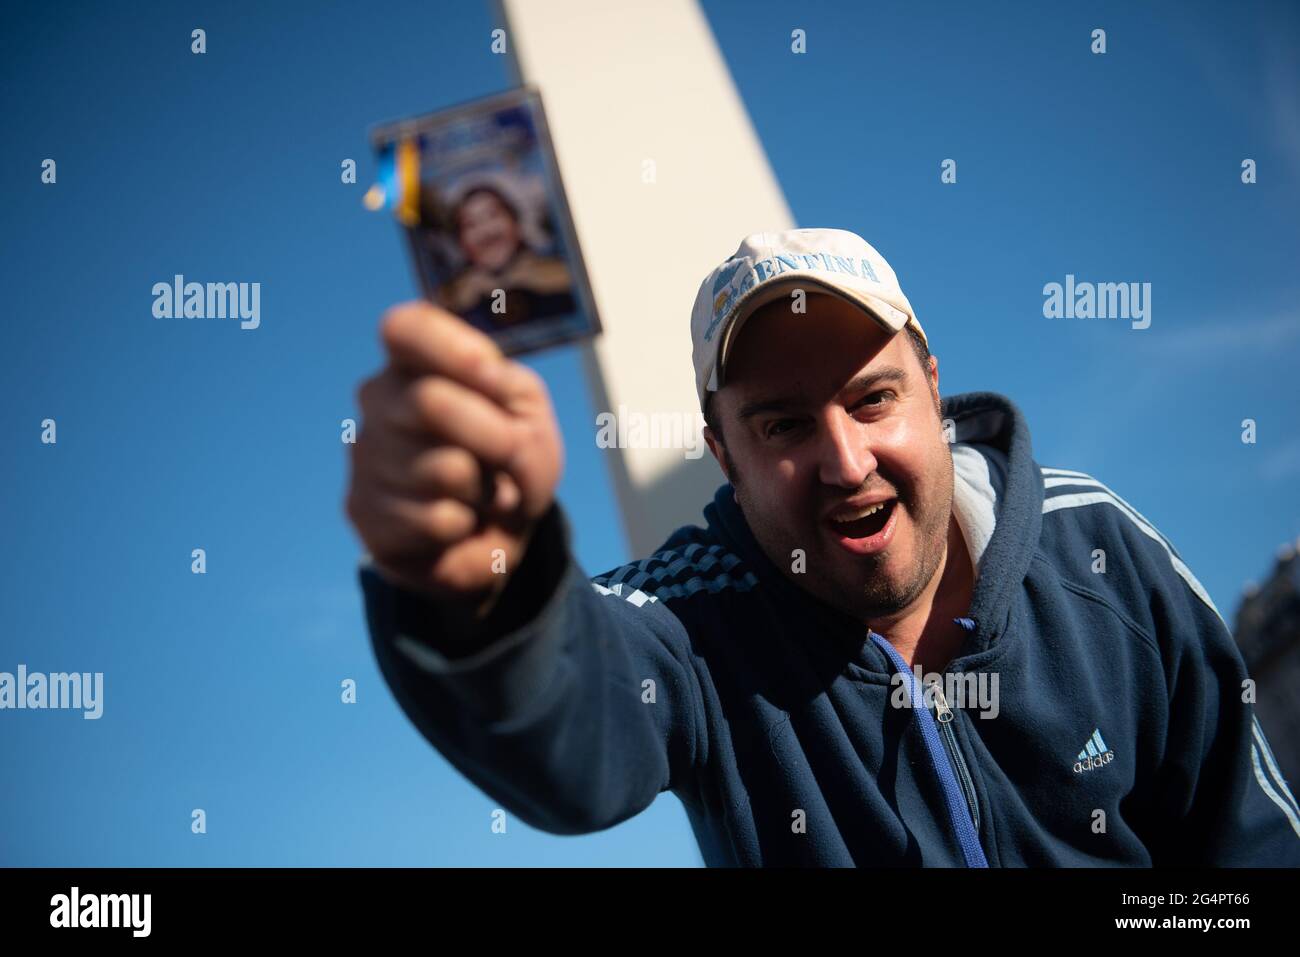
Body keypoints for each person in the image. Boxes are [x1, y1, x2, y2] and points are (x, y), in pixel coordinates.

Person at [345, 227, 1300, 866]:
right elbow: (573, 724)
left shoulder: (1101, 550)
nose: (845, 462)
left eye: (872, 398)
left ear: (932, 384)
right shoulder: (692, 617)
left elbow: (1250, 845)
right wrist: (482, 590)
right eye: (784, 425)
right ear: (724, 454)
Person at [437, 177, 576, 331]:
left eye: (493, 215)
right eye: (470, 224)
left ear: (516, 223)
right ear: (460, 242)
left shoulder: (567, 276)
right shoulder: (450, 304)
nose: (486, 231)